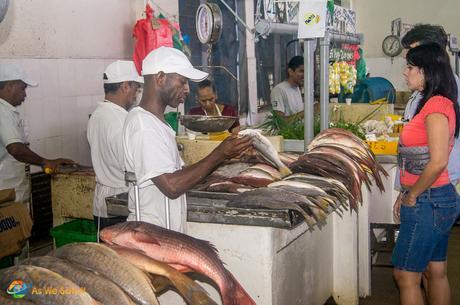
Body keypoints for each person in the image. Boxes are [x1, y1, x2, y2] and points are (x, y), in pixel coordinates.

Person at [123, 47, 252, 232]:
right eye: (182, 81)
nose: (187, 90)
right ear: (160, 78)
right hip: (152, 234)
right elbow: (171, 186)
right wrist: (219, 154)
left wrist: (223, 164)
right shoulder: (144, 126)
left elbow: (177, 172)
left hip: (164, 231)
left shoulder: (158, 123)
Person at [392, 43, 460, 305]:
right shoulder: (434, 103)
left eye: (409, 67)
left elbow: (438, 161)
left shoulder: (435, 107)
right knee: (435, 270)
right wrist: (408, 192)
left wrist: (413, 195)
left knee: (405, 275)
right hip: (436, 198)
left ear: (426, 71)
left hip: (429, 200)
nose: (405, 72)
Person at [0, 63, 74, 203]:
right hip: (4, 191)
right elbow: (15, 148)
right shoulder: (2, 111)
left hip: (10, 189)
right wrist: (45, 161)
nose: (25, 94)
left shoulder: (8, 111)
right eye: (23, 88)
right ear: (10, 86)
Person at [87, 60, 143, 231]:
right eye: (136, 88)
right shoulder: (120, 120)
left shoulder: (97, 115)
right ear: (125, 86)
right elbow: (130, 166)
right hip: (120, 204)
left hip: (103, 204)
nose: (136, 94)